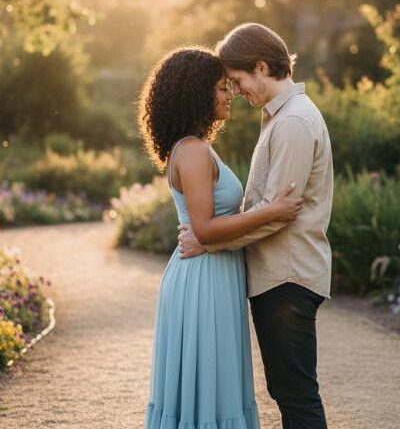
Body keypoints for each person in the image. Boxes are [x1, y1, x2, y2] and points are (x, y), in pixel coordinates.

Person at [178, 23, 334, 429]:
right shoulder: (279, 118)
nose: (236, 90)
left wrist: (208, 240)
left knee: (296, 395)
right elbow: (269, 209)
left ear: (262, 67)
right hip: (279, 276)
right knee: (287, 392)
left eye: (238, 80)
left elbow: (278, 213)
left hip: (287, 276)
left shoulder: (294, 122)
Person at [138, 47, 304, 429]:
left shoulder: (195, 147)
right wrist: (271, 212)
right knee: (210, 388)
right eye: (221, 88)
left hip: (214, 273)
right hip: (203, 281)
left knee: (216, 383)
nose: (230, 95)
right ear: (197, 95)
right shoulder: (193, 152)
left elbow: (206, 228)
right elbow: (205, 229)